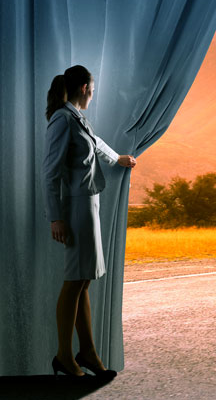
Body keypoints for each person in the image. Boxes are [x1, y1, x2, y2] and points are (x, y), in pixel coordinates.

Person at [43, 65, 136, 379]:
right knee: (74, 280)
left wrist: (117, 158)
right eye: (92, 87)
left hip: (89, 204)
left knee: (84, 279)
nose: (94, 93)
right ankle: (64, 355)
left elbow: (93, 142)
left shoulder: (76, 117)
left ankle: (88, 352)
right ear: (84, 87)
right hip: (75, 208)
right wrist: (56, 217)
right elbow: (49, 173)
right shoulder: (62, 118)